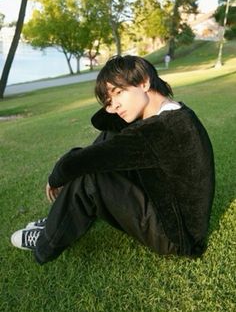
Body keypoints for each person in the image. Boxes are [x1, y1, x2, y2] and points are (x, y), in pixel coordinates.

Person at [11, 55, 215, 265]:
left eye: (118, 92)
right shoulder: (170, 112)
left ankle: (47, 240)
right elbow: (103, 122)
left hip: (176, 235)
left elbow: (80, 162)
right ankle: (62, 216)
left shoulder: (161, 130)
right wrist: (114, 100)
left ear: (144, 82)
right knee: (110, 137)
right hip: (167, 205)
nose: (114, 106)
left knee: (90, 175)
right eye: (109, 101)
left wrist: (56, 177)